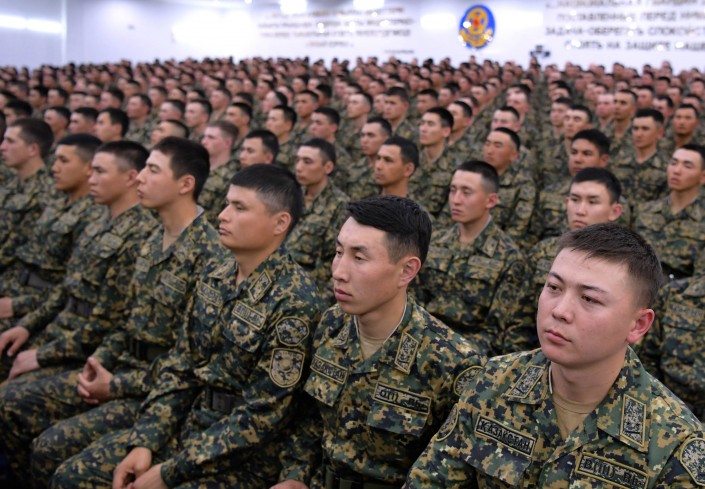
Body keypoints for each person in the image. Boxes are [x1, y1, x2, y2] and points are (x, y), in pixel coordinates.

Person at [53, 164, 324, 489]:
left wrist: (168, 472)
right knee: (70, 475)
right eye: (226, 204)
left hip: (243, 457)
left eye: (239, 208)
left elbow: (261, 416)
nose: (222, 215)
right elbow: (181, 365)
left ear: (280, 223)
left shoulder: (295, 301)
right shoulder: (216, 273)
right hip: (189, 423)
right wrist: (146, 441)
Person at [406, 223, 705, 488]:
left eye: (589, 299)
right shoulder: (494, 382)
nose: (560, 310)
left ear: (638, 325)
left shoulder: (674, 441)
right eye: (553, 287)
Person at [0, 137, 226, 486]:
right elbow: (124, 321)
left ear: (185, 184)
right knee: (16, 411)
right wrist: (98, 364)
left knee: (54, 455)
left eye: (153, 170)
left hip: (155, 390)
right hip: (119, 369)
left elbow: (187, 361)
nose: (141, 178)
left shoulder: (210, 254)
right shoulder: (154, 239)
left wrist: (114, 384)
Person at [272, 195, 483, 488]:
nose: (338, 272)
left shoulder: (451, 361)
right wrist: (295, 476)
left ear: (406, 271)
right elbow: (310, 418)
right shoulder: (331, 325)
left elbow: (457, 470)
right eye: (338, 252)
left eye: (359, 258)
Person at [417, 161, 533, 357]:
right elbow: (415, 301)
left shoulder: (509, 257)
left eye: (466, 192)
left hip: (469, 355)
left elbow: (498, 332)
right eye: (453, 190)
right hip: (422, 339)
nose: (456, 200)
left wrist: (451, 352)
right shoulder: (435, 243)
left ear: (491, 200)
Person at [0, 134, 103, 335]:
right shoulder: (56, 203)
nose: (54, 168)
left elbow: (69, 285)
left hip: (38, 308)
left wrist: (17, 305)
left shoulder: (94, 216)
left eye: (64, 161)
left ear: (88, 167)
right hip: (14, 288)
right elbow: (22, 256)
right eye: (55, 160)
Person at [287, 138, 348, 304]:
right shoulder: (290, 197)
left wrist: (318, 302)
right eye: (298, 160)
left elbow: (334, 261)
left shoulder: (339, 205)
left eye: (307, 162)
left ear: (328, 167)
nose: (299, 167)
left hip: (308, 291)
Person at [633, 144, 705, 280]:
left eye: (687, 166)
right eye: (673, 163)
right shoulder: (644, 211)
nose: (676, 171)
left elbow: (700, 280)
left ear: (703, 177)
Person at [0, 119, 57, 274]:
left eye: (10, 141)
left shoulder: (47, 191)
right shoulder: (11, 183)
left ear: (32, 149)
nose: (2, 147)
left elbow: (19, 245)